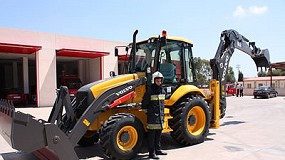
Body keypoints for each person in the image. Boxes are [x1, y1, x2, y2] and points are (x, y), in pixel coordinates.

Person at [142, 71, 167, 159]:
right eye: (157, 81)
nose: (159, 83)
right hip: (152, 118)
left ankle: (158, 150)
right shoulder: (150, 91)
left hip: (160, 118)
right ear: (154, 81)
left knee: (158, 135)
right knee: (151, 137)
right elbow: (145, 103)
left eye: (160, 81)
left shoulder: (162, 91)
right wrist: (148, 113)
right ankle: (151, 153)